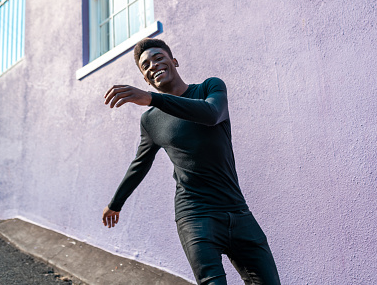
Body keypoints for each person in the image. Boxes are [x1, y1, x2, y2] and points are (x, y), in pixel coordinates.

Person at [101, 38, 280, 285]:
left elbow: (210, 115)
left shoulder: (210, 88)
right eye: (145, 66)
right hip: (195, 216)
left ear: (174, 61)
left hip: (238, 212)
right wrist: (115, 203)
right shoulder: (150, 120)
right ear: (145, 79)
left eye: (158, 58)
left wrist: (154, 99)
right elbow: (140, 164)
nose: (153, 65)